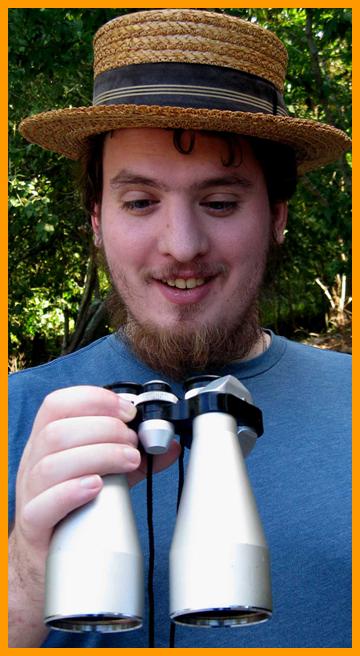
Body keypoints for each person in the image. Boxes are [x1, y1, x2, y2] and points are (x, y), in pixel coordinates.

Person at [8, 9, 351, 649]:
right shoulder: (15, 412)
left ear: (277, 216)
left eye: (220, 202)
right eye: (140, 202)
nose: (182, 245)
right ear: (96, 219)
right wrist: (26, 571)